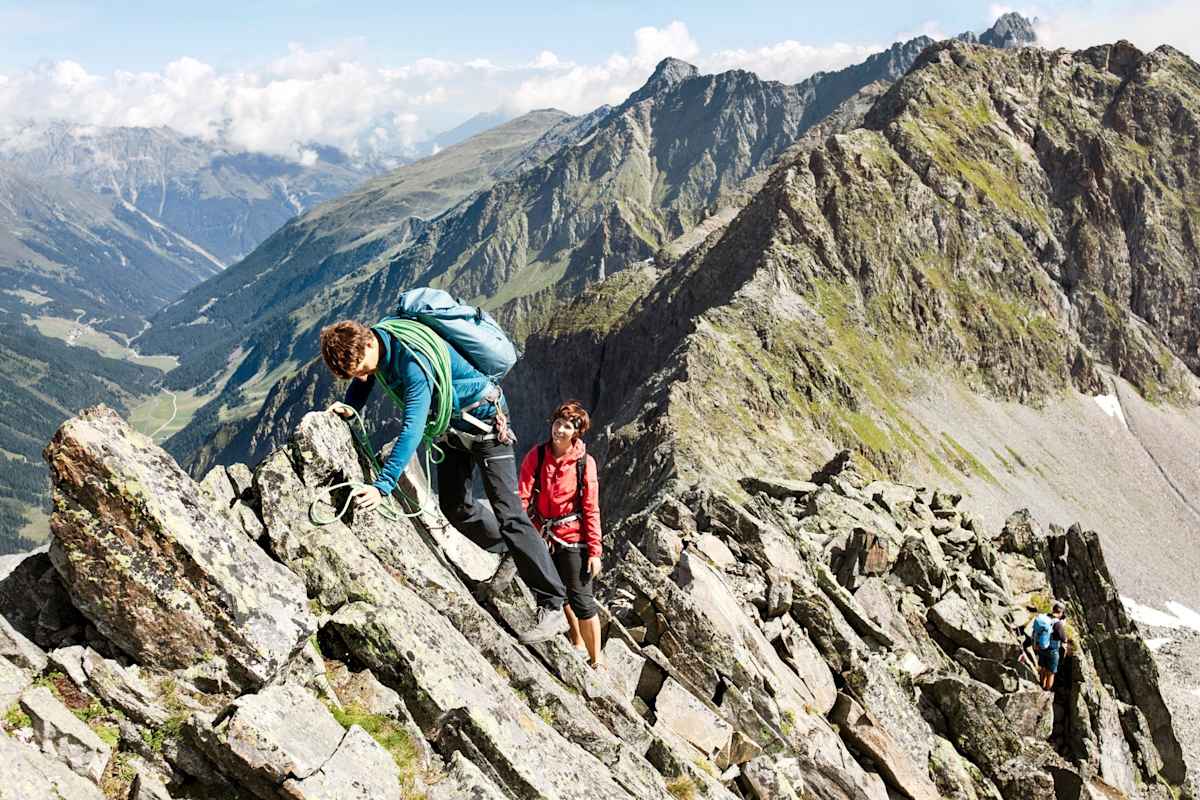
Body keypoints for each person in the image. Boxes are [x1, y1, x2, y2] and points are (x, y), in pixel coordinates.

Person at [319, 319, 569, 644]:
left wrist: (382, 486)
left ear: (367, 344)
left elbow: (412, 426)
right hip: (454, 429)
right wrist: (350, 405)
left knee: (510, 514)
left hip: (486, 423)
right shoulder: (378, 342)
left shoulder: (412, 363)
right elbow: (367, 379)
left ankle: (553, 605)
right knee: (455, 506)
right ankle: (511, 550)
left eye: (360, 367)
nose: (360, 376)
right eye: (353, 374)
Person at [518, 401, 604, 667]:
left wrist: (595, 551)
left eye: (567, 426)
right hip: (544, 534)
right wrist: (518, 529)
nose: (560, 430)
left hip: (574, 538)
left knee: (582, 599)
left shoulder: (584, 464)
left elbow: (591, 507)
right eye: (557, 424)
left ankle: (597, 660)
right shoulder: (538, 455)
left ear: (576, 432)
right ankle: (576, 642)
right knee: (559, 592)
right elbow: (522, 493)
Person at [1032, 600, 1066, 691]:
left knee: (1043, 668)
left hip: (1042, 647)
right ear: (1061, 612)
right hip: (1053, 650)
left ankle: (1041, 685)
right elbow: (1064, 639)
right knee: (1051, 672)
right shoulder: (1058, 623)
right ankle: (1046, 691)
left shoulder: (1045, 618)